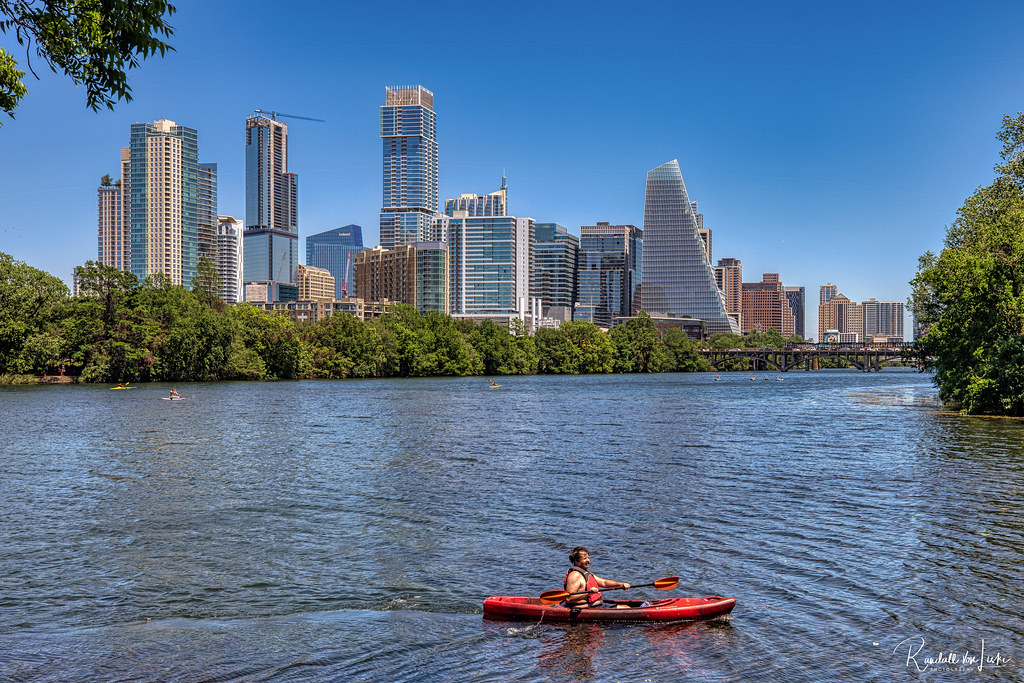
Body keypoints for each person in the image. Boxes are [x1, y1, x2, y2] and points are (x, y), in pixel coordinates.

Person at [563, 546, 632, 609]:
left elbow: (603, 582)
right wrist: (589, 593)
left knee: (626, 607)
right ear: (576, 560)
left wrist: (621, 584)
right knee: (627, 608)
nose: (588, 561)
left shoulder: (585, 573)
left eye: (588, 558)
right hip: (584, 608)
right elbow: (569, 598)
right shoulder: (574, 575)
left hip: (597, 605)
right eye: (585, 558)